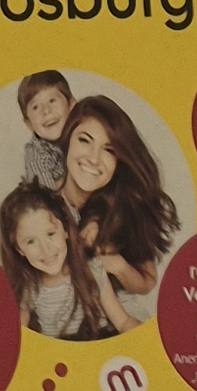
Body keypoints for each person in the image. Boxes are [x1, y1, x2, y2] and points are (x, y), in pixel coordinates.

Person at [61, 94, 178, 322]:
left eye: (109, 150)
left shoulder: (123, 209)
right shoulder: (35, 205)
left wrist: (116, 264)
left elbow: (147, 281)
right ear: (67, 140)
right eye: (84, 140)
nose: (94, 158)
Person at [0, 182, 111, 342]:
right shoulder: (30, 288)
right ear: (19, 249)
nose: (45, 249)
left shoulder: (92, 271)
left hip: (98, 347)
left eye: (50, 234)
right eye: (31, 241)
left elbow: (123, 322)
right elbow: (16, 338)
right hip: (57, 354)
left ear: (65, 230)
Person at [15, 67, 75, 190]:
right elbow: (45, 197)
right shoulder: (36, 153)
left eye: (52, 100)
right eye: (36, 107)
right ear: (29, 124)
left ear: (71, 105)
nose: (46, 111)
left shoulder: (81, 136)